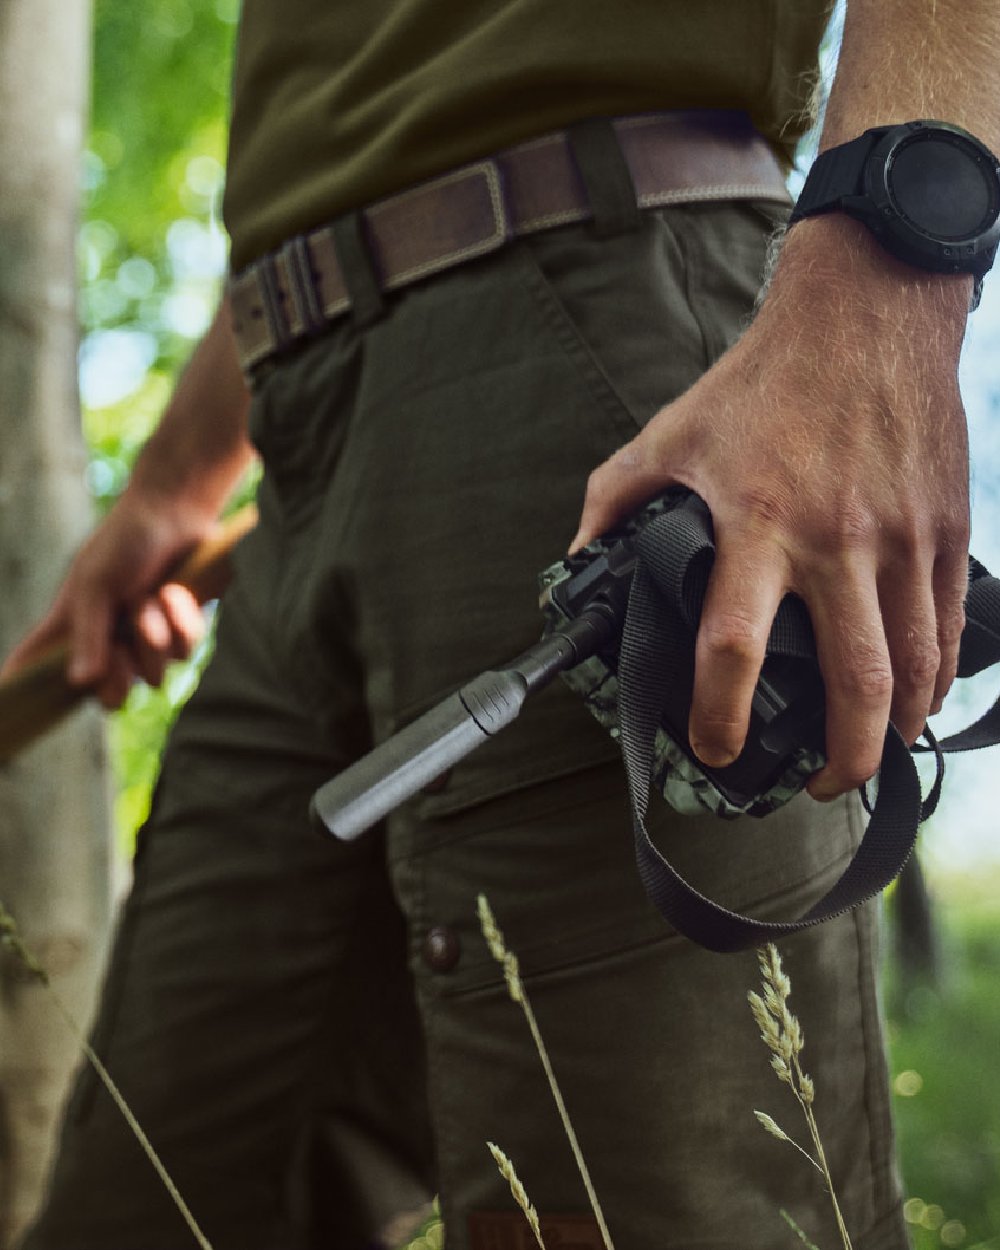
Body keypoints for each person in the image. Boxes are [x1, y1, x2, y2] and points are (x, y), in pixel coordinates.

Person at [6, 1, 998, 1246]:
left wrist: (885, 273)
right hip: (300, 422)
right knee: (138, 1204)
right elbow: (356, 138)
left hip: (608, 347)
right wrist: (170, 481)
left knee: (658, 1207)